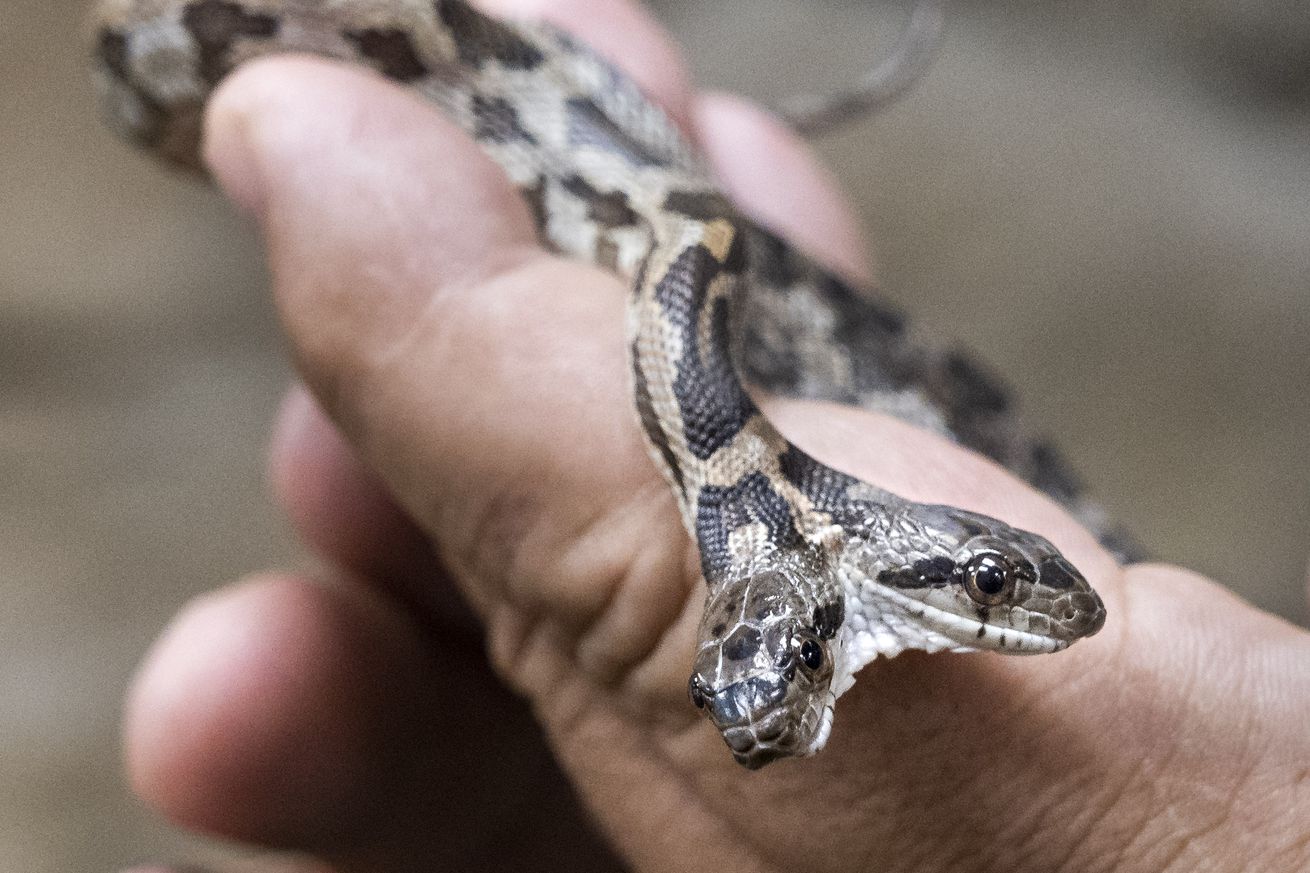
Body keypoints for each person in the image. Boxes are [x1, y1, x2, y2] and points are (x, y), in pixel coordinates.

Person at [119, 1, 1310, 870]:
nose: (762, 724)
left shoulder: (792, 500)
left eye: (777, 671)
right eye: (745, 681)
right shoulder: (757, 503)